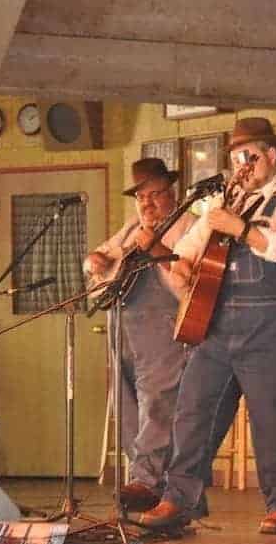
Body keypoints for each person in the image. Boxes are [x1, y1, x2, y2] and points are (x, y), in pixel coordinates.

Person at [134, 116, 276, 535]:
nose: (243, 164)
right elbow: (184, 252)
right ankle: (178, 500)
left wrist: (238, 228)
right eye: (237, 157)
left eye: (251, 156)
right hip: (217, 325)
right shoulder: (223, 204)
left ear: (271, 155)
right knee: (193, 411)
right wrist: (182, 267)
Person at [83, 158, 195, 513]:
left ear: (172, 193)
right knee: (127, 404)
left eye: (155, 195)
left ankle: (147, 482)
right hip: (124, 322)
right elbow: (100, 257)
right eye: (141, 197)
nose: (147, 204)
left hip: (163, 325)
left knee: (157, 402)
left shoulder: (189, 225)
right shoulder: (132, 226)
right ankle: (145, 484)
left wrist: (157, 250)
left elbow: (190, 277)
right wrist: (96, 261)